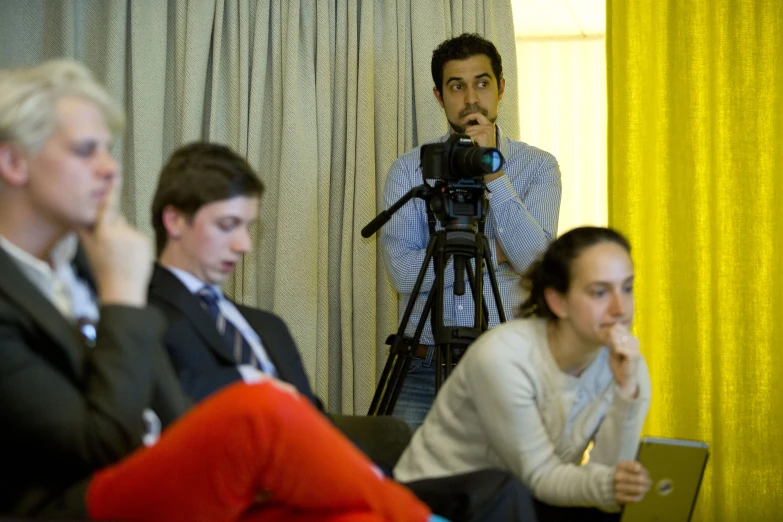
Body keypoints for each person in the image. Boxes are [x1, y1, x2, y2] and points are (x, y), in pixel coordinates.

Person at [0, 59, 442, 522]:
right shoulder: (51, 289)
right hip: (73, 503)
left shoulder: (86, 267)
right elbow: (99, 445)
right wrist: (122, 299)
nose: (110, 169)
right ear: (14, 162)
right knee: (258, 410)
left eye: (109, 150)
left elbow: (170, 414)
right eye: (86, 151)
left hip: (167, 477)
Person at [394, 227, 653, 521]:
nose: (620, 308)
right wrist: (607, 486)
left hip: (526, 497)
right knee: (511, 490)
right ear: (558, 301)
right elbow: (540, 477)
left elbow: (607, 489)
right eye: (600, 292)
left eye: (627, 288)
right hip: (436, 503)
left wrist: (627, 395)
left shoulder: (627, 365)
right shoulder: (504, 355)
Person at [380, 33, 562, 429]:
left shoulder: (538, 167)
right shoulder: (410, 169)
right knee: (405, 486)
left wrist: (494, 173)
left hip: (508, 366)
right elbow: (403, 273)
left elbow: (535, 262)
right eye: (456, 86)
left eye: (481, 83)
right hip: (422, 365)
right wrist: (493, 251)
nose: (471, 98)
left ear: (501, 88)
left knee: (502, 488)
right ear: (438, 96)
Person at [148, 141, 316, 405]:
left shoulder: (271, 328)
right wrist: (253, 385)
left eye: (248, 228)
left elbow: (318, 421)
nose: (245, 246)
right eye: (227, 225)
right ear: (175, 221)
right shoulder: (139, 313)